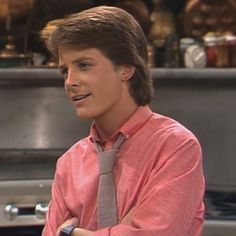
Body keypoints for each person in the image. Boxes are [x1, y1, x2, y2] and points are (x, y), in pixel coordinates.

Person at [42, 5, 205, 236]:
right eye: (64, 71)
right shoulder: (70, 163)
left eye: (83, 65)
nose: (70, 82)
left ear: (126, 67)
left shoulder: (175, 146)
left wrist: (72, 233)